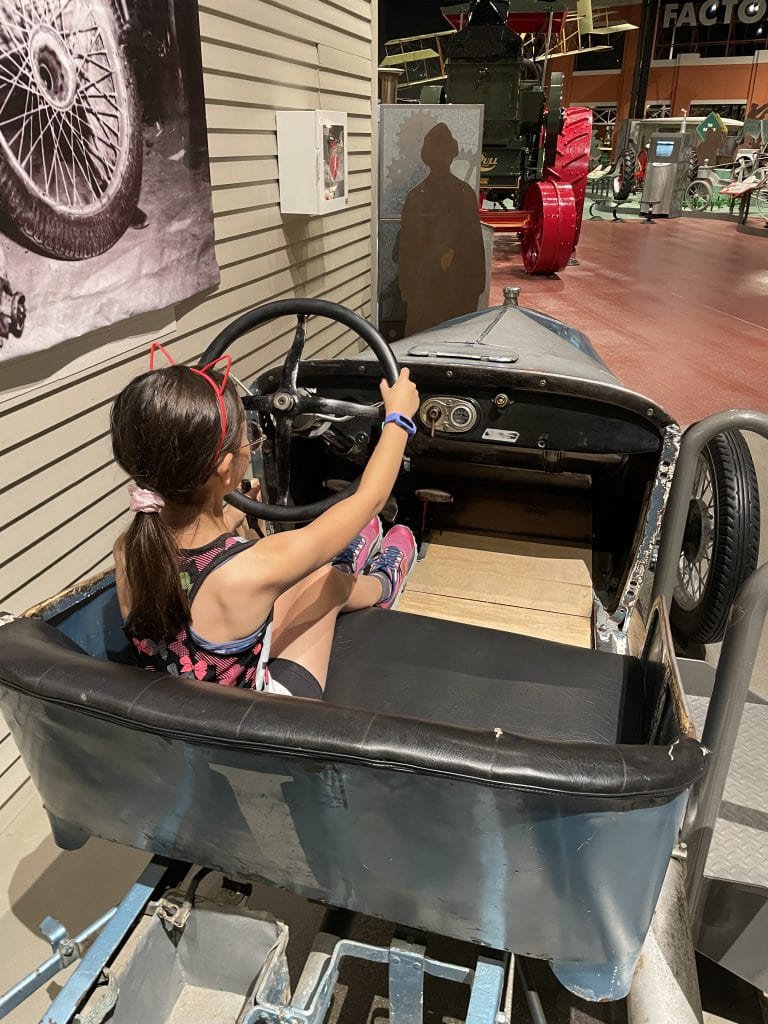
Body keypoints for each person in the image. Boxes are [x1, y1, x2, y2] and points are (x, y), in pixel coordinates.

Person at [110, 346, 419, 700]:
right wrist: (398, 418)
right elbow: (371, 498)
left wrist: (231, 515)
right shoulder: (256, 566)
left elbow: (189, 565)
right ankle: (383, 583)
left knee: (301, 579)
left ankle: (348, 562)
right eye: (248, 437)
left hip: (180, 708)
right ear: (226, 470)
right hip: (257, 717)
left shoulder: (129, 548)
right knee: (325, 580)